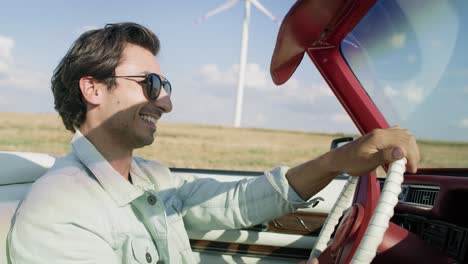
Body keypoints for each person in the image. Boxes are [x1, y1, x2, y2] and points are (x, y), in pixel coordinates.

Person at [7, 22, 419, 263]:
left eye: (165, 85)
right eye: (150, 84)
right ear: (93, 89)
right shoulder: (59, 212)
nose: (166, 101)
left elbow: (238, 202)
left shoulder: (152, 178)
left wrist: (337, 162)